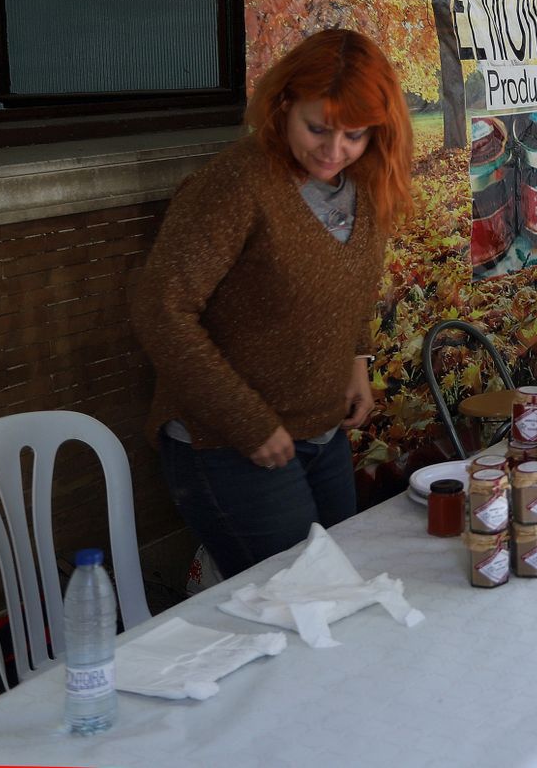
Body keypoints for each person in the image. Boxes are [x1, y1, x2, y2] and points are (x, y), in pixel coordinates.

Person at [132, 29, 414, 579]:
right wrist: (247, 421)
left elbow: (346, 289)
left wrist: (358, 361)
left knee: (341, 586)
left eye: (354, 134)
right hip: (224, 443)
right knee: (304, 596)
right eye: (317, 129)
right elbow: (160, 309)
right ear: (284, 105)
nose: (334, 151)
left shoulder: (364, 182)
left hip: (321, 431)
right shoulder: (236, 184)